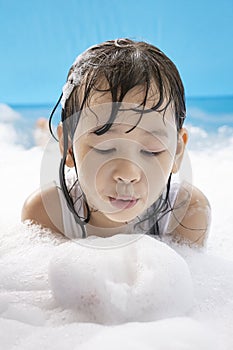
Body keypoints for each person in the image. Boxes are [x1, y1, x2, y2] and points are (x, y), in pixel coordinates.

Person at [21, 38, 211, 246]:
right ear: (68, 147)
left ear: (177, 151)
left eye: (151, 150)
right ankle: (42, 134)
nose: (128, 174)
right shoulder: (47, 213)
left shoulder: (187, 213)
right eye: (105, 148)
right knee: (43, 144)